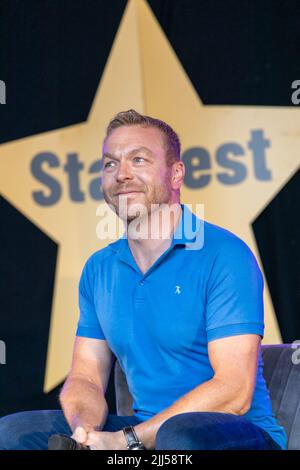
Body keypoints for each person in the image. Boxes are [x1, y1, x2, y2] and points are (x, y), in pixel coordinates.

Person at [0, 109, 287, 450]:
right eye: (110, 164)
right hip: (145, 431)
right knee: (14, 432)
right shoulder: (99, 269)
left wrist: (127, 440)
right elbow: (86, 377)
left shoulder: (224, 254)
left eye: (138, 160)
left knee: (180, 437)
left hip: (235, 432)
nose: (122, 174)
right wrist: (85, 431)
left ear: (176, 173)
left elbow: (234, 392)